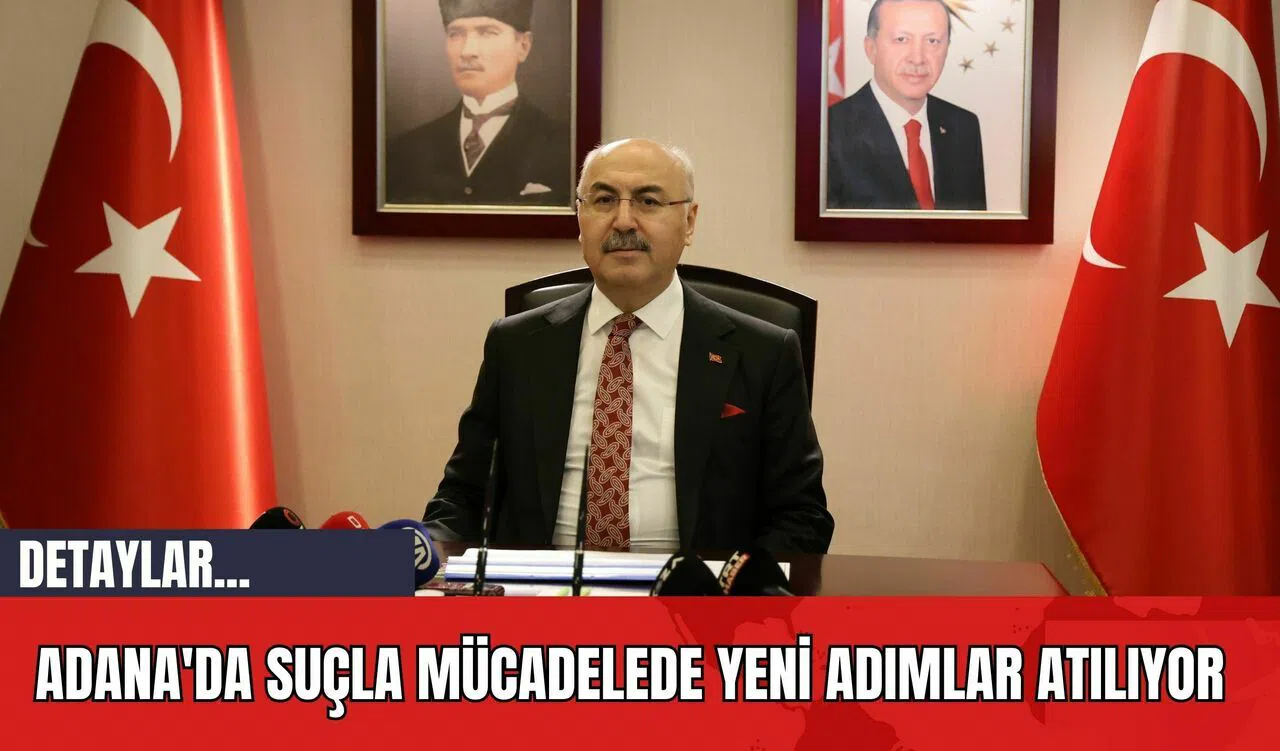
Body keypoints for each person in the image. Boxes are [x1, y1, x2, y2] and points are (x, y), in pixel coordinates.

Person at [423, 138, 833, 555]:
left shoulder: (763, 353)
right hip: (542, 584)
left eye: (648, 202)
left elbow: (801, 517)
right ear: (579, 218)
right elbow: (463, 496)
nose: (623, 222)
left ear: (689, 222)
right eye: (603, 200)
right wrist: (422, 554)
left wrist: (732, 585)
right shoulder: (517, 345)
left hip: (696, 587)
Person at [386, 0, 571, 207]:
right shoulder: (407, 150)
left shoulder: (565, 147)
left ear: (523, 46)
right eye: (455, 34)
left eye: (487, 33)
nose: (467, 51)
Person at [827, 0, 986, 210]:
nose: (918, 58)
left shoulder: (963, 126)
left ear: (947, 49)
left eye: (933, 41)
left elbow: (974, 229)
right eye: (901, 39)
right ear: (871, 49)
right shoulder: (828, 131)